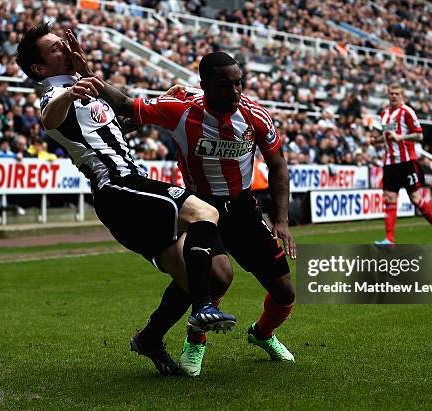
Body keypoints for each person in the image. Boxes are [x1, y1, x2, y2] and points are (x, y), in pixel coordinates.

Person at [15, 23, 236, 376]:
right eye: (56, 48)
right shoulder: (55, 92)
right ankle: (203, 308)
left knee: (216, 275)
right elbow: (48, 118)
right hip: (118, 187)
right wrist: (70, 93)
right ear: (40, 69)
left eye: (65, 42)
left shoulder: (85, 87)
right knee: (204, 211)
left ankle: (150, 337)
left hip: (128, 192)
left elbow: (121, 120)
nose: (66, 47)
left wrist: (162, 96)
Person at [75, 46, 297, 376]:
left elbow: (278, 165)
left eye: (239, 83)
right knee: (215, 278)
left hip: (243, 208)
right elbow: (124, 106)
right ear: (205, 84)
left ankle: (263, 333)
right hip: (202, 210)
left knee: (284, 293)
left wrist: (281, 220)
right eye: (226, 84)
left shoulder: (256, 115)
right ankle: (195, 341)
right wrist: (88, 72)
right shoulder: (180, 109)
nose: (235, 91)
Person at [373, 82, 432, 247]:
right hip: (390, 163)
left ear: (402, 95)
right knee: (389, 198)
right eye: (391, 93)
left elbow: (419, 136)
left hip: (407, 162)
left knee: (415, 199)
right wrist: (376, 140)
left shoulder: (407, 112)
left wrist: (401, 138)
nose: (394, 96)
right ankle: (389, 240)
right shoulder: (384, 113)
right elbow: (387, 135)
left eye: (397, 94)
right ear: (387, 93)